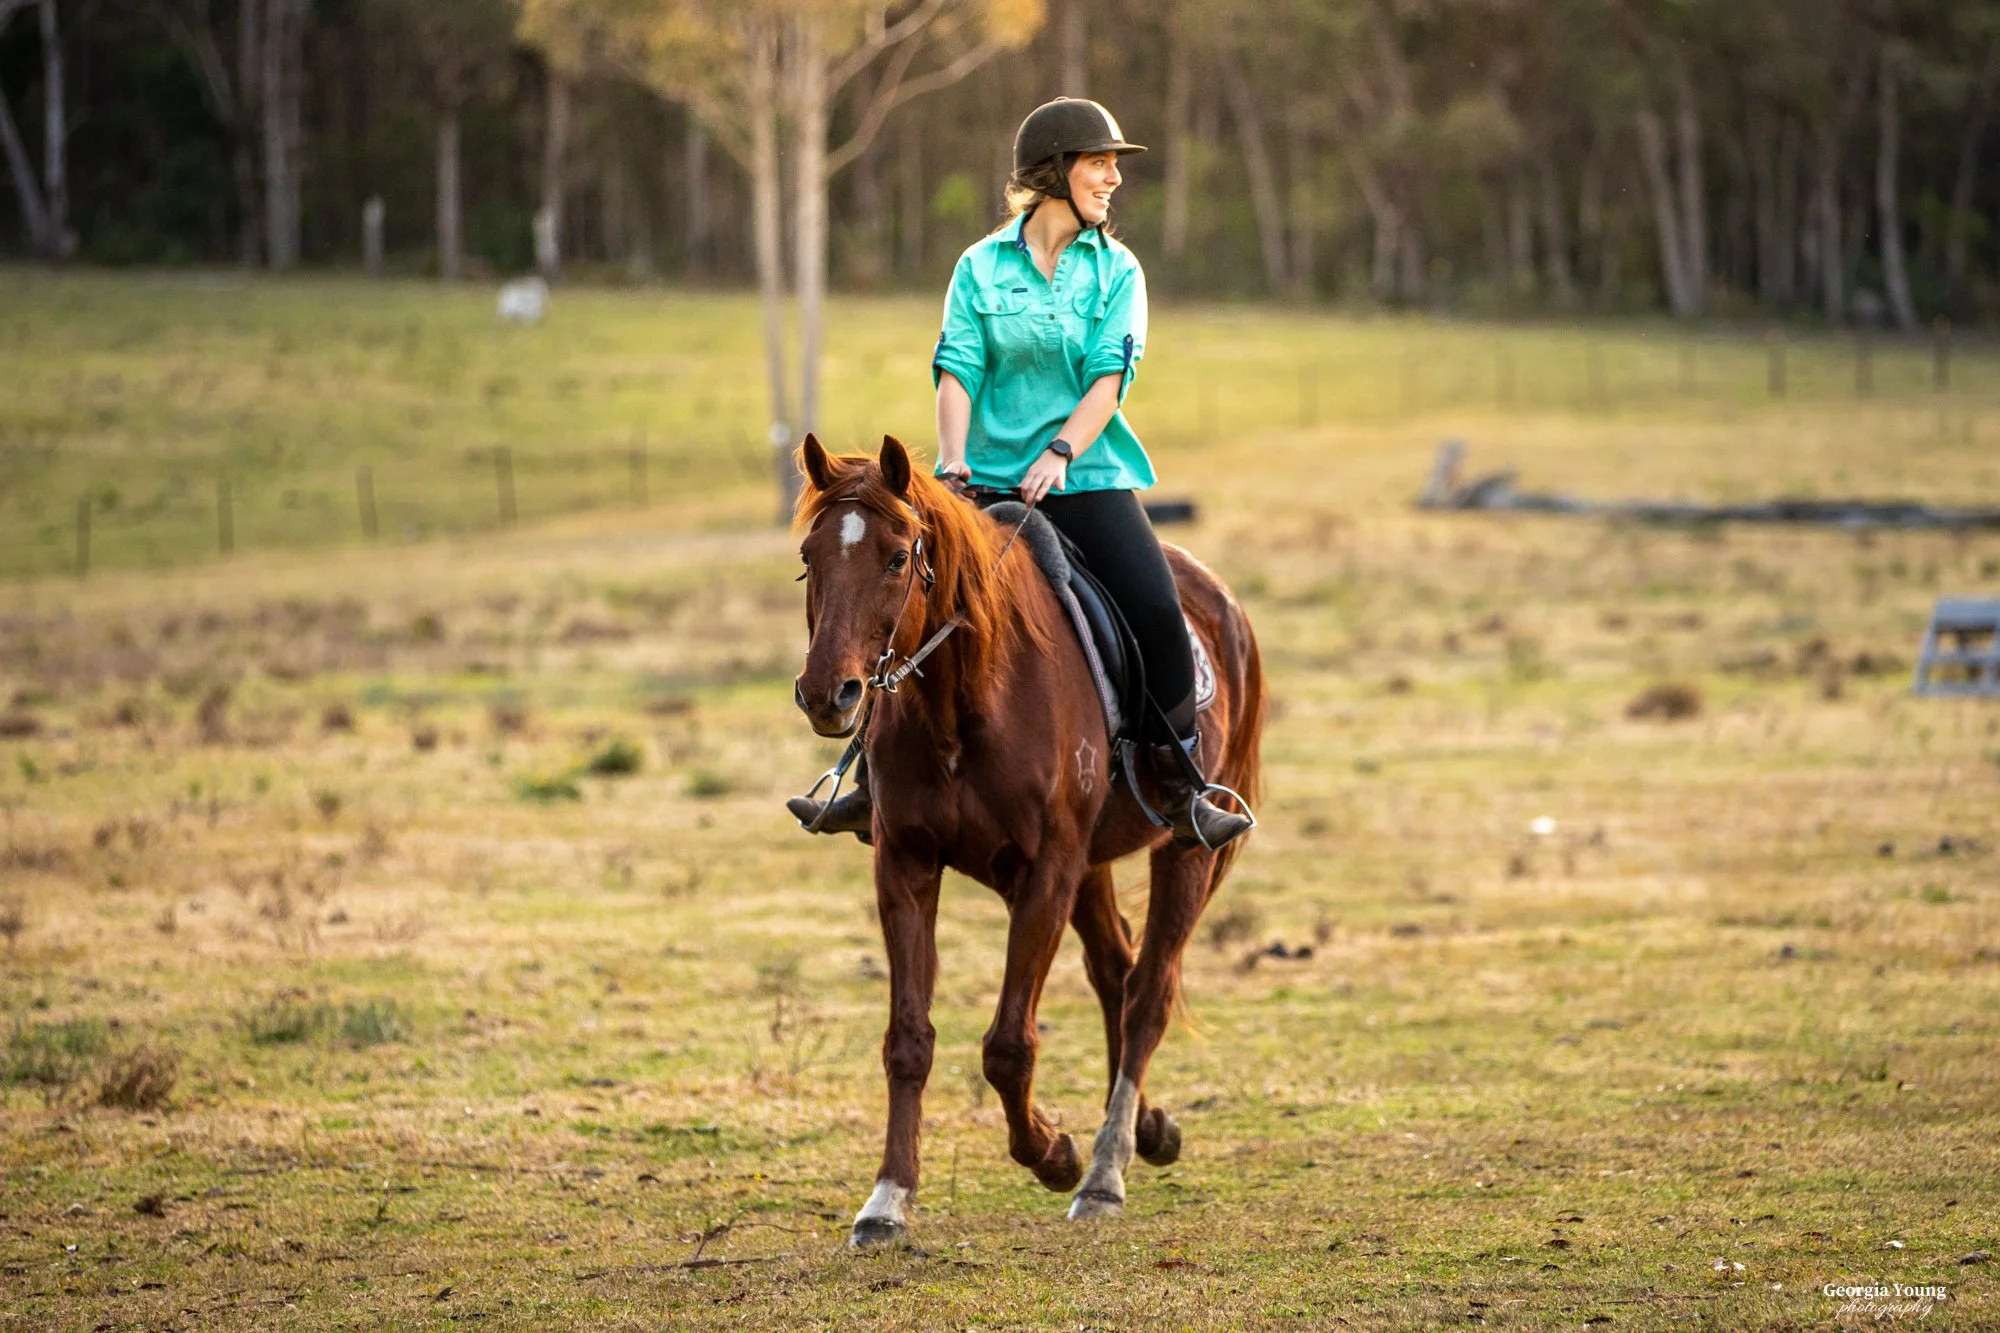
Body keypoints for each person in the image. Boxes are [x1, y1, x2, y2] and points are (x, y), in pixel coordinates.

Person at [790, 96, 1253, 851]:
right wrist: (955, 460)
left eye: (1113, 166)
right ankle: (868, 776)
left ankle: (1181, 784)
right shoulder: (978, 268)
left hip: (1089, 477)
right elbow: (957, 370)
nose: (1112, 179)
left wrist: (1061, 452)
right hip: (985, 484)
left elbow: (1109, 380)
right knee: (904, 602)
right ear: (1055, 172)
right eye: (1099, 163)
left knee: (1159, 608)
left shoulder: (1119, 272)